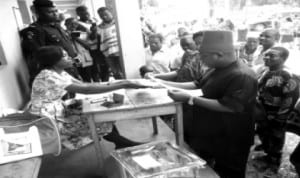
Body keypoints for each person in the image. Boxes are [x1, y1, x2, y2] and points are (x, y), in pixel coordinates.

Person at [153, 31, 258, 178]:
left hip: (231, 136)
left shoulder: (242, 75)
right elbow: (197, 85)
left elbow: (229, 106)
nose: (200, 59)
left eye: (203, 56)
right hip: (212, 130)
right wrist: (161, 84)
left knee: (229, 171)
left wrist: (189, 99)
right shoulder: (217, 68)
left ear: (219, 54)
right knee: (207, 169)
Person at [29, 46, 150, 152]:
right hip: (47, 118)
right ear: (54, 61)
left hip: (56, 108)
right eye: (64, 56)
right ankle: (124, 144)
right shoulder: (49, 76)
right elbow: (86, 90)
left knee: (101, 110)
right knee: (95, 119)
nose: (69, 57)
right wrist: (123, 84)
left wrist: (117, 83)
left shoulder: (60, 72)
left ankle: (120, 143)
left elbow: (85, 85)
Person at [254, 47, 299, 175]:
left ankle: (273, 164)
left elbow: (290, 98)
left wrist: (280, 118)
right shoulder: (265, 70)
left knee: (275, 138)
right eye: (266, 55)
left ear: (283, 58)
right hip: (262, 111)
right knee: (264, 134)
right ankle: (267, 155)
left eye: (272, 56)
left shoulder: (288, 76)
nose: (266, 58)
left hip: (276, 114)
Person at [20, 0, 81, 86]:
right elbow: (40, 54)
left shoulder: (57, 27)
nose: (55, 14)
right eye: (50, 12)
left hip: (69, 69)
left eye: (56, 11)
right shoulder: (36, 30)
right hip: (56, 73)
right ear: (38, 13)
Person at [76, 5, 109, 82]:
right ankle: (98, 86)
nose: (87, 15)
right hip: (91, 50)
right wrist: (93, 32)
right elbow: (85, 38)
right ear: (78, 15)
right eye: (84, 14)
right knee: (95, 69)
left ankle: (105, 83)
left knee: (105, 67)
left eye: (88, 13)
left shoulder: (93, 21)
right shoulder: (78, 25)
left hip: (101, 46)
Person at [90, 7, 124, 79]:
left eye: (106, 14)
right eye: (101, 16)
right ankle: (121, 87)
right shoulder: (99, 27)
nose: (104, 17)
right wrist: (93, 31)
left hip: (120, 51)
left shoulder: (118, 23)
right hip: (108, 53)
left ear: (111, 12)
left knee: (124, 70)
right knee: (115, 73)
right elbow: (93, 38)